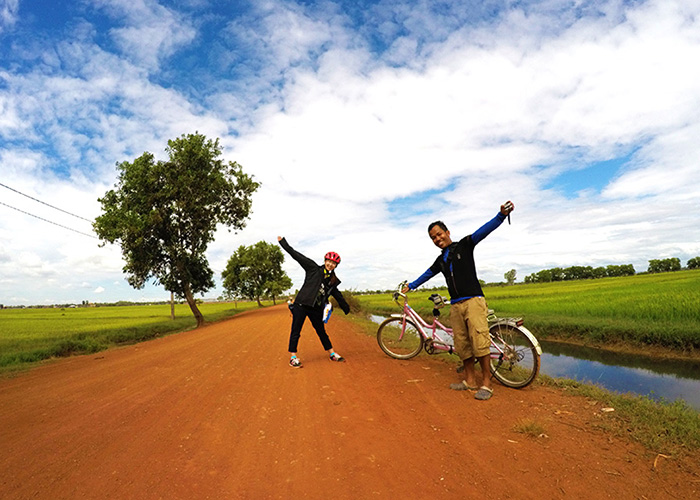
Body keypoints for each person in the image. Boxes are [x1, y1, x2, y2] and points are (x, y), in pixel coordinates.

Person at [402, 201, 515, 400]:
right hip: (455, 304)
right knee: (462, 344)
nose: (437, 239)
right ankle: (469, 381)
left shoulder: (465, 244)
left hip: (473, 300)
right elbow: (428, 274)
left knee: (480, 342)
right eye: (433, 238)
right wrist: (411, 285)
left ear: (447, 232)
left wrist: (500, 216)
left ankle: (486, 384)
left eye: (439, 234)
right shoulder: (441, 260)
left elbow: (483, 231)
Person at [277, 236, 351, 368]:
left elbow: (337, 294)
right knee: (296, 330)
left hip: (316, 308)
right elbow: (296, 255)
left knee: (321, 331)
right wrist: (283, 243)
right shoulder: (313, 269)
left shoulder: (332, 280)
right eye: (329, 261)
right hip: (301, 305)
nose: (330, 264)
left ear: (336, 266)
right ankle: (293, 357)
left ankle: (332, 353)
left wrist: (346, 307)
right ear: (325, 260)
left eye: (333, 263)